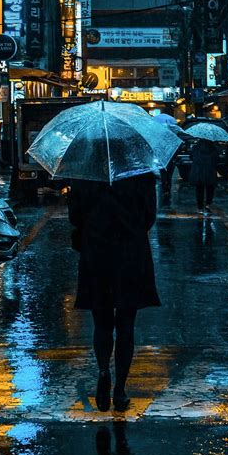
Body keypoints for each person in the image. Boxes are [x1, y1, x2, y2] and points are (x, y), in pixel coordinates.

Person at [68, 173, 160, 412]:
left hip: (96, 252)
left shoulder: (84, 175)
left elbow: (74, 216)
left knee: (102, 322)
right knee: (126, 324)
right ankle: (120, 389)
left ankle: (102, 373)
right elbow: (149, 217)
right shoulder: (142, 174)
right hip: (131, 253)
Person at [189, 138, 219, 213]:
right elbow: (217, 160)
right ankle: (208, 204)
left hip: (199, 171)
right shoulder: (213, 148)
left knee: (199, 189)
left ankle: (200, 207)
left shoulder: (195, 148)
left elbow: (191, 157)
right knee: (210, 189)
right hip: (210, 171)